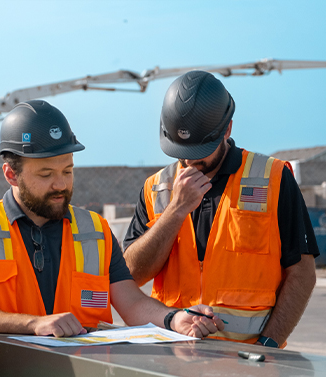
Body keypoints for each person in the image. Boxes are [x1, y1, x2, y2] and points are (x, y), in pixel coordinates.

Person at [0, 100, 224, 364]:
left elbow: (132, 302)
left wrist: (174, 319)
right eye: (46, 174)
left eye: (67, 171)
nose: (60, 184)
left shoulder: (96, 231)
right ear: (11, 175)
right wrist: (33, 324)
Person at [123, 70, 319, 348]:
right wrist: (175, 211)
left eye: (199, 151)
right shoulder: (156, 188)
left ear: (226, 129)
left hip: (250, 363)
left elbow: (302, 273)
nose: (189, 161)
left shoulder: (273, 179)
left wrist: (268, 346)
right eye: (181, 150)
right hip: (172, 357)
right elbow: (131, 274)